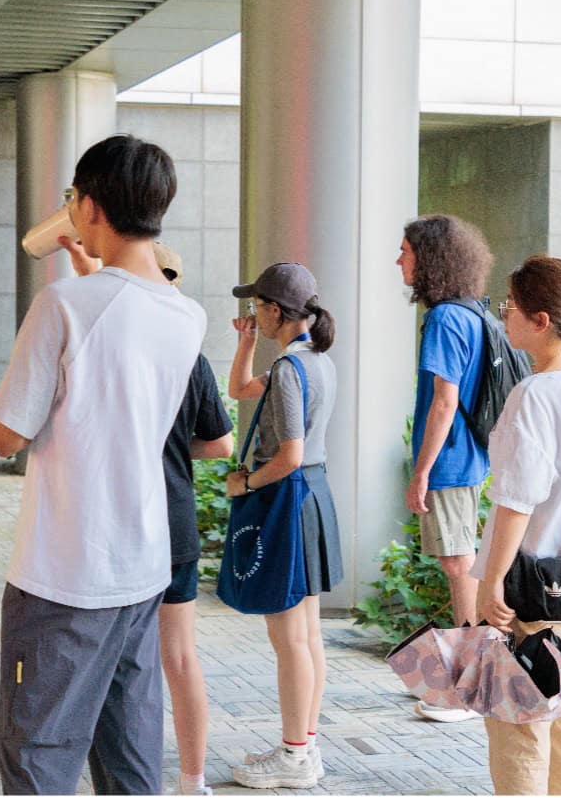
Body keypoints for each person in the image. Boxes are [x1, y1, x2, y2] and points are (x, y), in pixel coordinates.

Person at [0, 134, 206, 795]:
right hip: (142, 564)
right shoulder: (187, 315)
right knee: (129, 754)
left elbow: (5, 435)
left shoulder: (62, 304)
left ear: (87, 207)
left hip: (63, 570)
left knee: (37, 754)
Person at [57, 237, 234, 796]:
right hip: (172, 520)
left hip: (111, 522)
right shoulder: (188, 352)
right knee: (178, 657)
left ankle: (100, 773)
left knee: (103, 661)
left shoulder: (108, 346)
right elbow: (222, 444)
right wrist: (170, 446)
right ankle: (192, 780)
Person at [474, 255, 561, 795]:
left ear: (540, 321)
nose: (504, 314)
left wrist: (491, 580)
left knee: (521, 727)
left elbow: (518, 501)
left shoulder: (534, 394)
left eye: (510, 305)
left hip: (532, 590)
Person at [226, 262, 342, 790]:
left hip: (287, 496)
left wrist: (246, 484)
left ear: (276, 310)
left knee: (290, 637)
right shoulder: (316, 359)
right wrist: (247, 342)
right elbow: (240, 389)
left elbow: (289, 454)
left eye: (257, 307)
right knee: (307, 634)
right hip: (313, 495)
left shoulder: (291, 369)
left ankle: (295, 757)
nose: (253, 313)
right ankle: (304, 747)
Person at [396, 215, 494, 723]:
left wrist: (421, 472)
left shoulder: (444, 319)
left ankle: (470, 687)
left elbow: (444, 401)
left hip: (450, 461)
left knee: (460, 567)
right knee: (461, 564)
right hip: (467, 456)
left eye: (406, 251)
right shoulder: (470, 312)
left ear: (429, 260)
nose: (399, 260)